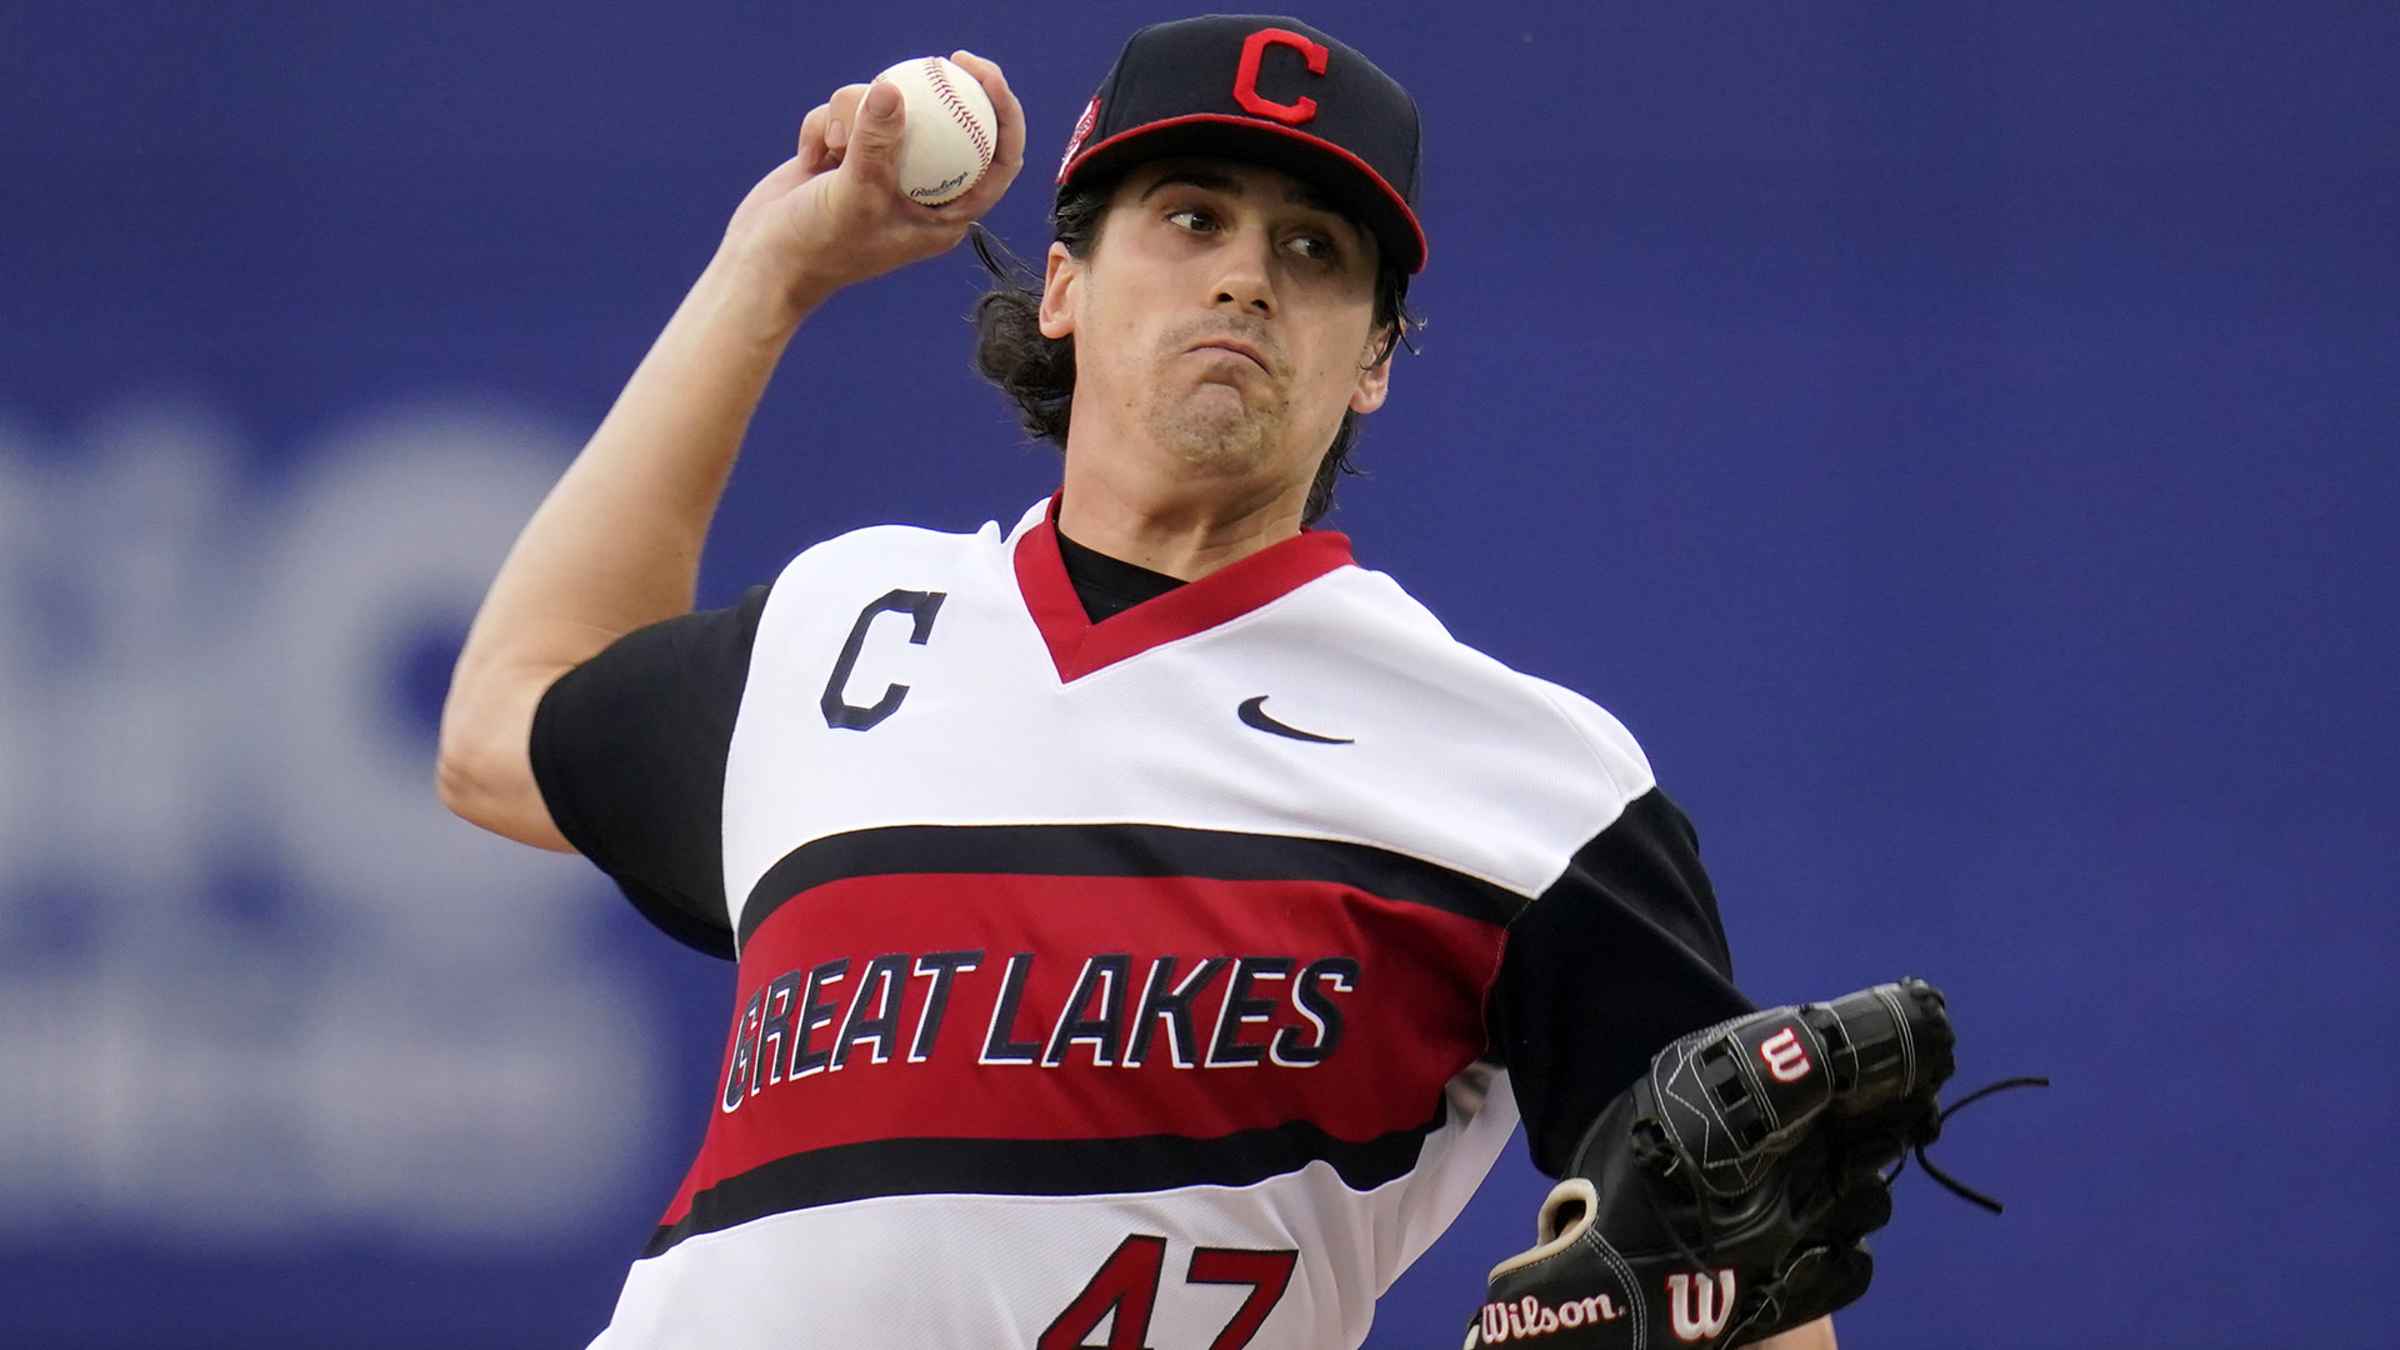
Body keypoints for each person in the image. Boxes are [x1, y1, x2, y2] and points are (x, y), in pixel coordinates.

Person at [439, 15, 1837, 1349]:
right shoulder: (842, 626)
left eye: (1315, 248)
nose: (1246, 274)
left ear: (1376, 364)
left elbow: (1746, 1276)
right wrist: (768, 272)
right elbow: (502, 723)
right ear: (1061, 283)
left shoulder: (1532, 790)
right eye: (1191, 216)